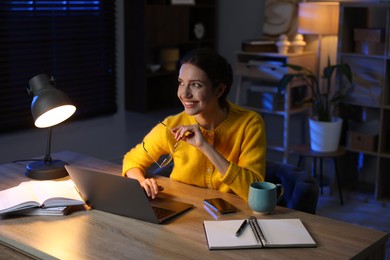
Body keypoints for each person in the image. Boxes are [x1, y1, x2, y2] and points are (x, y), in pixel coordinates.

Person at [122, 48, 266, 201]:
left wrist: (204, 146)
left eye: (196, 85)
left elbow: (255, 192)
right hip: (183, 213)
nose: (184, 94)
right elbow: (132, 160)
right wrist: (142, 182)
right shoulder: (172, 126)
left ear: (219, 90)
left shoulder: (249, 124)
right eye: (181, 83)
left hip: (233, 217)